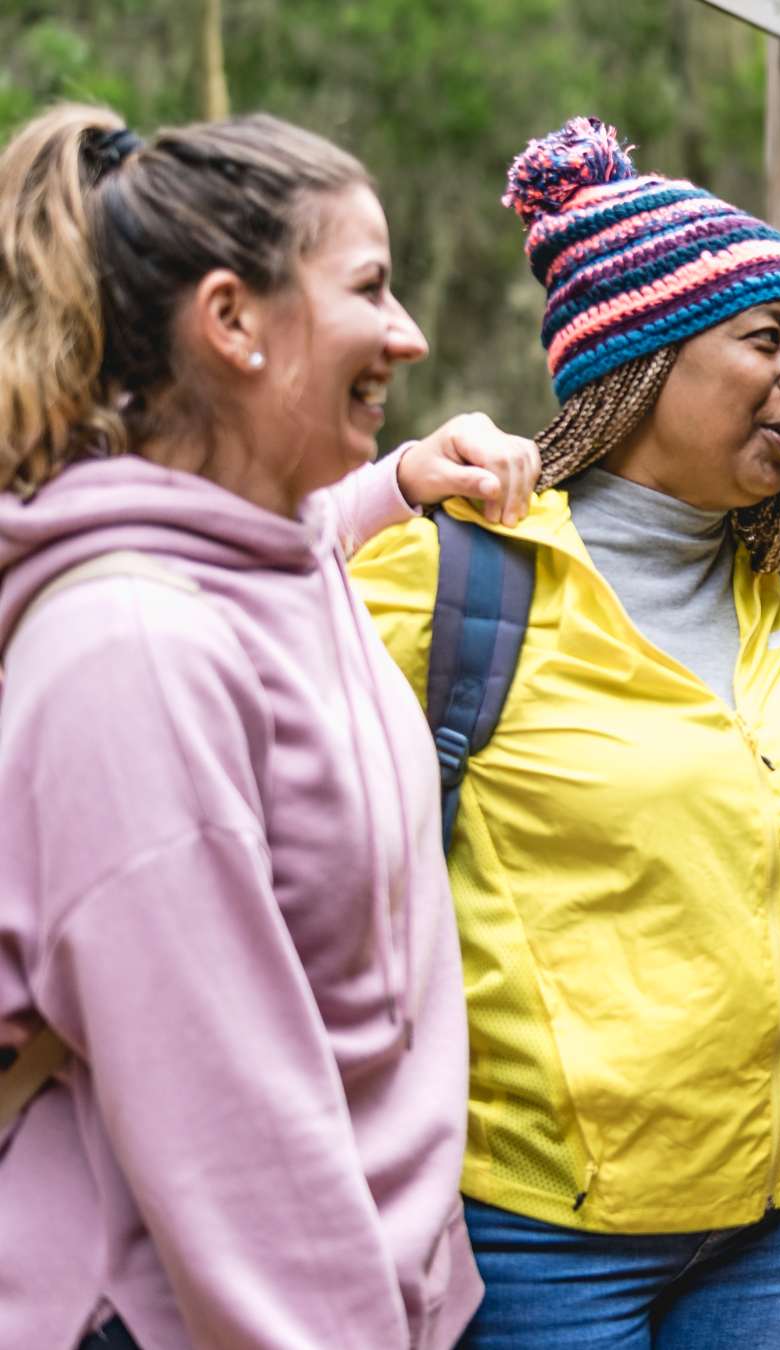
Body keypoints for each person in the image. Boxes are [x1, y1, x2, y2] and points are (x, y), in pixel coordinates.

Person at [0, 104, 533, 1349]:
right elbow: (230, 1139)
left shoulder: (274, 544)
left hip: (372, 1287)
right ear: (233, 321)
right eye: (369, 289)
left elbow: (287, 558)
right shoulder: (133, 656)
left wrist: (400, 482)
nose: (407, 335)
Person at [342, 118, 780, 1348]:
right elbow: (222, 636)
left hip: (774, 1211)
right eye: (764, 340)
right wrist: (382, 486)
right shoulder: (455, 578)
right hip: (537, 1232)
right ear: (641, 363)